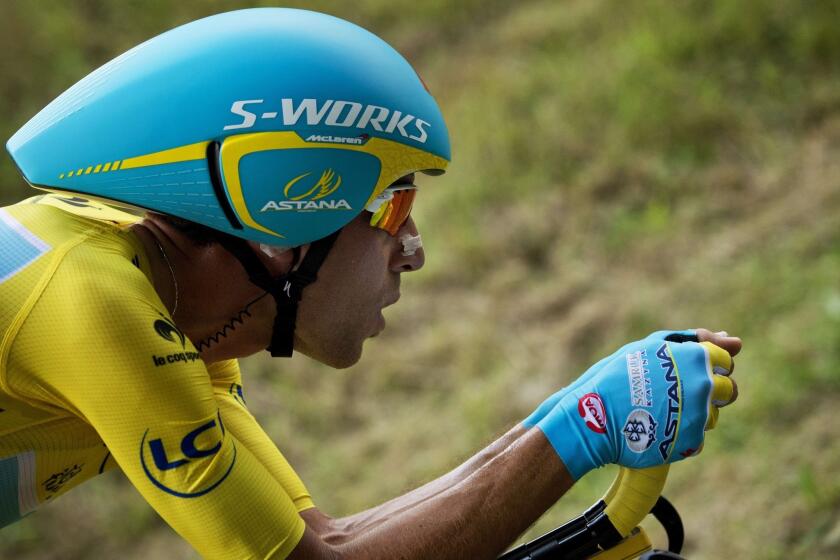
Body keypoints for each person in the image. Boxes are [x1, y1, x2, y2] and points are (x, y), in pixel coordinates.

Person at [0, 8, 741, 559]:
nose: (412, 251)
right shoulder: (91, 298)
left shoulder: (171, 311)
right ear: (279, 218)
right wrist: (581, 429)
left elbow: (326, 538)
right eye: (394, 204)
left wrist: (569, 416)